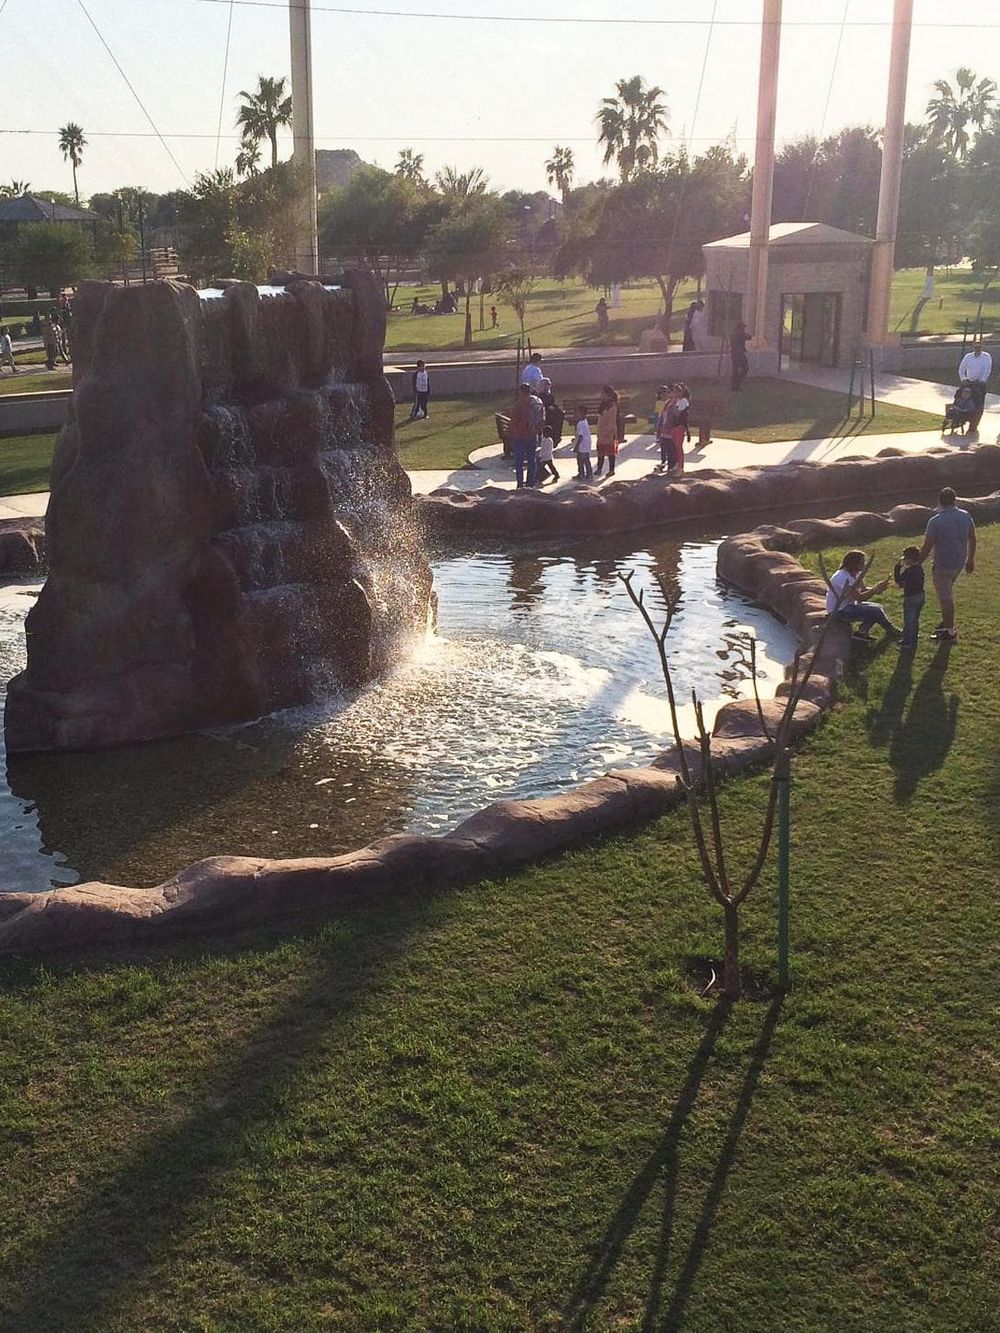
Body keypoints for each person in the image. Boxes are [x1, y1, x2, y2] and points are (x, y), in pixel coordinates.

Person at [917, 486, 976, 643]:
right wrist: (970, 559)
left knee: (945, 598)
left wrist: (916, 564)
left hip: (943, 564)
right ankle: (946, 621)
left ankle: (949, 632)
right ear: (954, 499)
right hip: (959, 562)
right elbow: (972, 537)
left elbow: (927, 546)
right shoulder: (965, 515)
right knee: (947, 592)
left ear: (939, 501)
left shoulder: (935, 521)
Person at [826, 550, 901, 641]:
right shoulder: (842, 577)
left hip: (848, 605)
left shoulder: (855, 574)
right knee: (875, 611)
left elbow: (863, 590)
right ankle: (891, 630)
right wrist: (875, 590)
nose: (864, 564)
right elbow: (860, 597)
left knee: (877, 608)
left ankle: (862, 632)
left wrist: (878, 588)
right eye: (862, 562)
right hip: (839, 610)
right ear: (854, 563)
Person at [509, 382, 543, 488]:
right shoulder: (537, 403)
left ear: (521, 392)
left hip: (520, 436)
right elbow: (542, 419)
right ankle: (530, 483)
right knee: (531, 460)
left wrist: (513, 434)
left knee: (519, 462)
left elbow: (514, 421)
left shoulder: (519, 404)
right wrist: (536, 430)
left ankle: (520, 484)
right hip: (532, 436)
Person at [893, 546, 926, 650]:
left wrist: (897, 568)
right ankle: (910, 638)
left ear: (910, 559)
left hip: (911, 598)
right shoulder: (920, 569)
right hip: (920, 596)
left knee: (909, 621)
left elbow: (899, 582)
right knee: (914, 620)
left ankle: (909, 643)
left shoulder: (909, 571)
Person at [957, 343, 992, 429]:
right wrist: (963, 379)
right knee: (960, 397)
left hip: (980, 384)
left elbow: (987, 369)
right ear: (973, 348)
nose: (977, 349)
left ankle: (974, 424)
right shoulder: (968, 356)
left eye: (979, 347)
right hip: (968, 382)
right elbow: (962, 368)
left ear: (982, 347)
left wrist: (982, 380)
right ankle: (959, 417)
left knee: (978, 404)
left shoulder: (986, 357)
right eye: (975, 347)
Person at [594, 385, 620, 478]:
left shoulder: (612, 406)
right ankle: (599, 468)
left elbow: (612, 422)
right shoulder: (603, 405)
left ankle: (611, 470)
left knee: (610, 452)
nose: (601, 395)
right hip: (601, 432)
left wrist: (608, 433)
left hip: (608, 433)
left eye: (603, 393)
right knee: (600, 451)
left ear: (608, 394)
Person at [655, 387, 679, 471]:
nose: (670, 395)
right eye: (669, 393)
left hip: (671, 431)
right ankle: (664, 463)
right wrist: (659, 429)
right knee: (664, 447)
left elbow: (676, 419)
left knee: (671, 449)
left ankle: (671, 466)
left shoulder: (676, 405)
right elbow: (662, 417)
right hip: (664, 430)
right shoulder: (667, 404)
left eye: (672, 393)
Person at [539, 379, 564, 444]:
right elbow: (542, 405)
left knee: (560, 414)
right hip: (544, 414)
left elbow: (553, 404)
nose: (549, 386)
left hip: (552, 413)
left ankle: (557, 436)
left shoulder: (550, 395)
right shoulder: (540, 396)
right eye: (547, 384)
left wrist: (556, 408)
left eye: (549, 384)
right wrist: (548, 407)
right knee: (553, 419)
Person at [574, 405, 593, 480]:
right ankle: (588, 474)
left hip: (582, 446)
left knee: (581, 461)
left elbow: (581, 436)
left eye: (578, 412)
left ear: (581, 413)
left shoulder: (581, 423)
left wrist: (576, 446)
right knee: (586, 460)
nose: (576, 414)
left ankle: (582, 474)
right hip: (586, 446)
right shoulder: (585, 421)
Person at [730, 320, 749, 391]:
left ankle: (736, 384)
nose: (744, 329)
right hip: (738, 354)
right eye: (743, 327)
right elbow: (748, 337)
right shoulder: (738, 333)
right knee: (743, 368)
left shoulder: (735, 333)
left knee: (737, 369)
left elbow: (748, 337)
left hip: (736, 353)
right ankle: (736, 384)